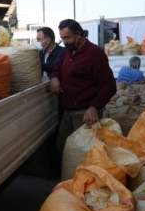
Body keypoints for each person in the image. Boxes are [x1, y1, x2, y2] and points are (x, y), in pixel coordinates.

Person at [49, 19, 117, 156]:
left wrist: (94, 107)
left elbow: (109, 85)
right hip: (68, 111)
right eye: (62, 38)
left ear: (78, 35)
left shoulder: (95, 54)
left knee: (83, 153)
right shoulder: (68, 52)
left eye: (67, 38)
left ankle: (86, 177)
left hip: (85, 114)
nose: (65, 42)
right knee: (62, 146)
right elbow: (57, 68)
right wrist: (55, 78)